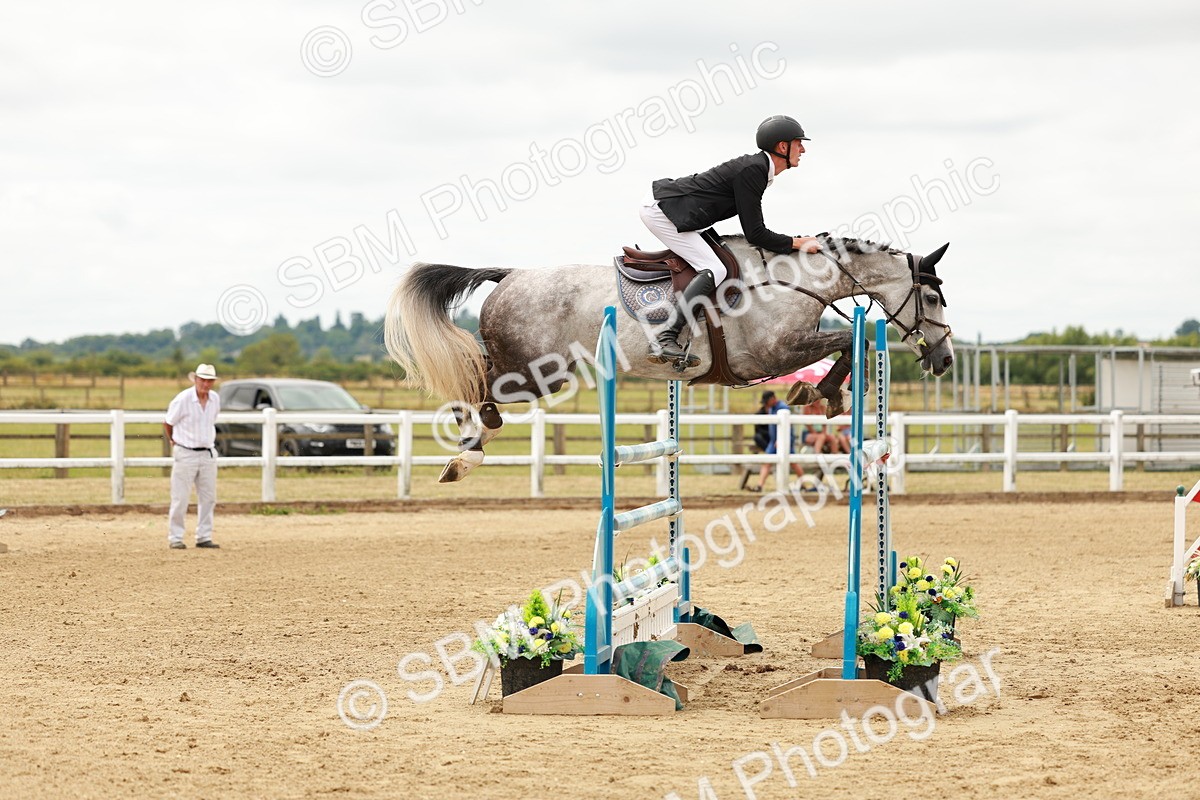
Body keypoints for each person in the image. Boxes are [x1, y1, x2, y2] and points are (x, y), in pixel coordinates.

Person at [641, 114, 823, 364]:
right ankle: (665, 338)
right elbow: (755, 233)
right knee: (714, 268)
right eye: (798, 143)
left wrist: (795, 241)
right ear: (783, 146)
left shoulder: (759, 170)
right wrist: (797, 243)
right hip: (665, 214)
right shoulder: (754, 171)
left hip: (679, 214)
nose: (802, 149)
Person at [164, 363, 222, 550]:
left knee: (208, 497)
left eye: (209, 380)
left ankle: (204, 536)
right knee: (180, 497)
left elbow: (211, 422)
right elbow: (168, 422)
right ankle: (176, 537)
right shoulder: (183, 399)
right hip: (186, 452)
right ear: (196, 380)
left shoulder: (215, 399)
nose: (205, 384)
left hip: (207, 453)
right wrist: (174, 441)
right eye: (202, 379)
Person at [750, 391, 805, 492]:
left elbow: (787, 427)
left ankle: (803, 484)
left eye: (766, 401)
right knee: (767, 462)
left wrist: (782, 440)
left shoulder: (783, 407)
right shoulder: (771, 408)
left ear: (772, 399)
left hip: (784, 440)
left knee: (793, 463)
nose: (765, 404)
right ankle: (759, 486)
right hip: (774, 441)